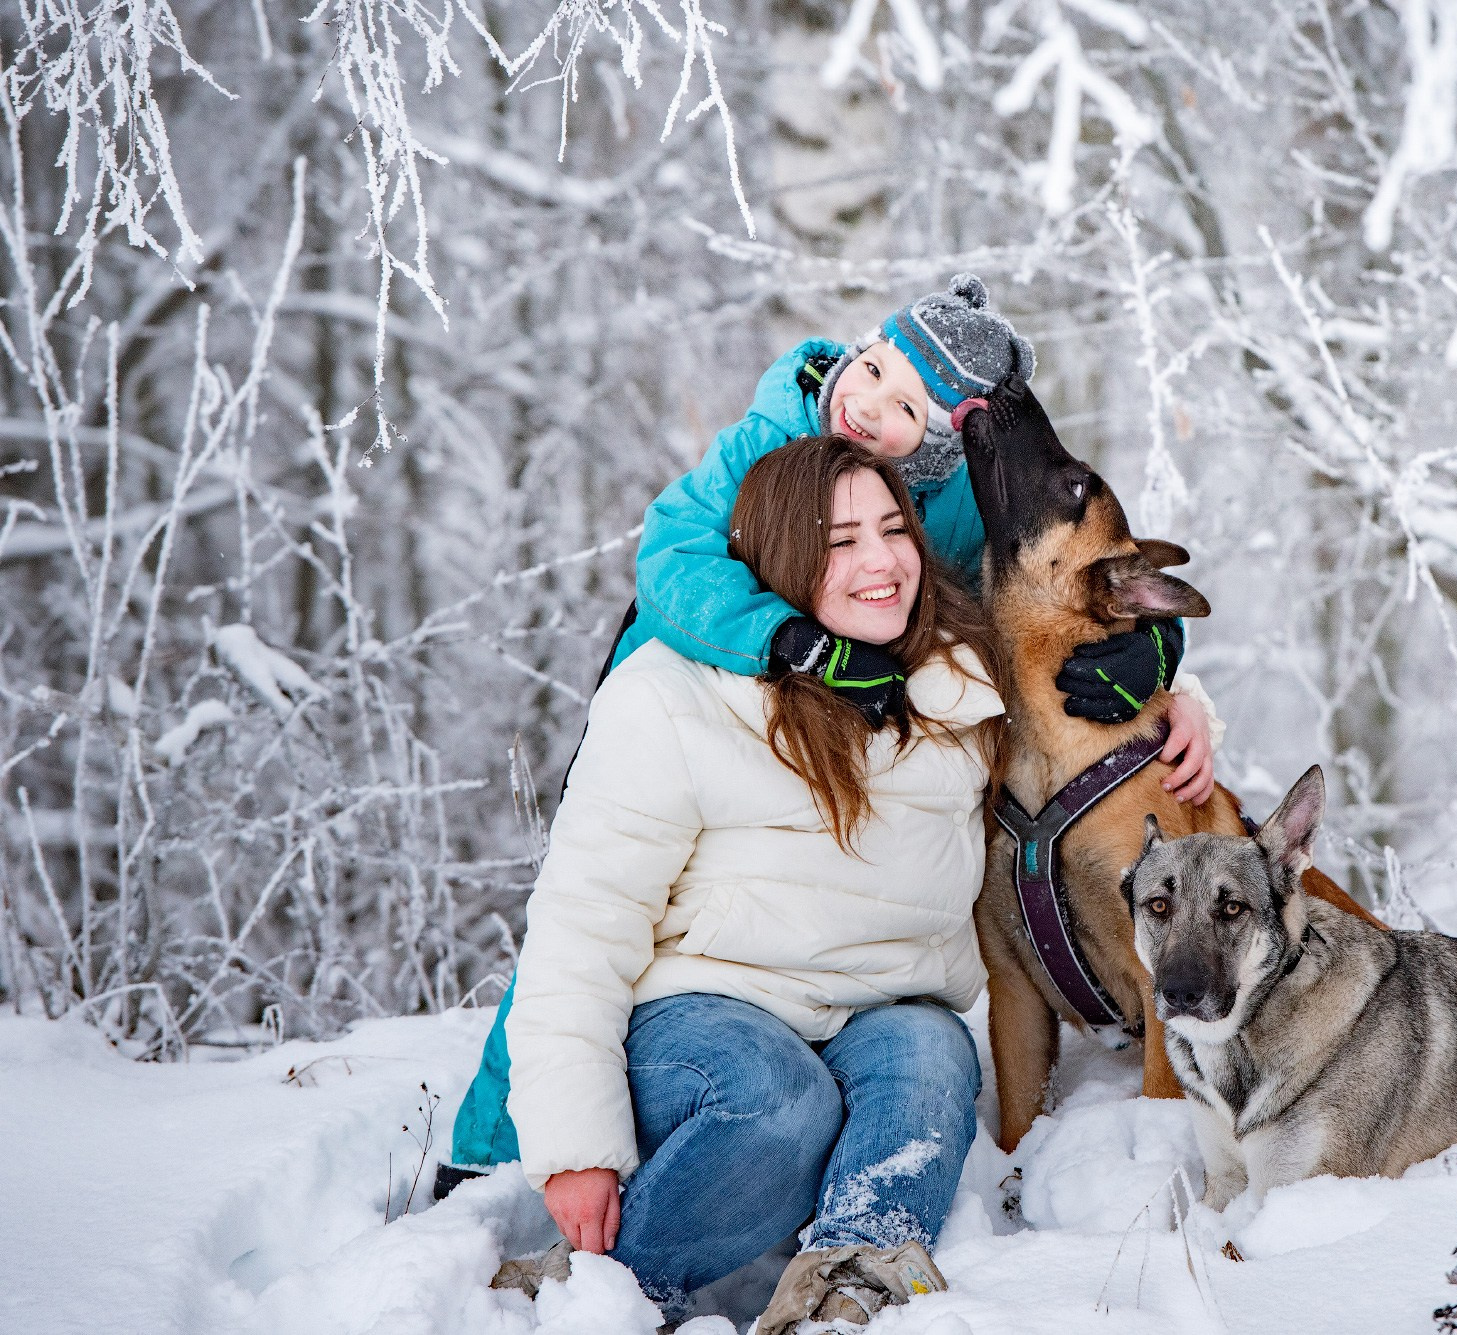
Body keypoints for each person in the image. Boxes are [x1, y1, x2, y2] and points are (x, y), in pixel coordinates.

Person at [447, 274, 1223, 1179]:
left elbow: (1058, 581)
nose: (870, 409)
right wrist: (789, 640)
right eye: (876, 371)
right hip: (691, 677)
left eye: (908, 410)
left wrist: (1162, 661)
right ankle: (488, 1156)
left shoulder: (954, 503)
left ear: (941, 438)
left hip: (840, 731)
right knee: (595, 910)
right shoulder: (769, 438)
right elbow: (673, 556)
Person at [504, 437, 1002, 1330]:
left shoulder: (959, 682)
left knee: (933, 1060)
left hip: (881, 1009)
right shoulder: (671, 695)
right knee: (781, 1102)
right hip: (697, 1019)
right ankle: (601, 1292)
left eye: (895, 529)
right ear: (778, 557)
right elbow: (581, 927)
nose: (883, 561)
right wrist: (573, 1147)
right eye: (840, 541)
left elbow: (1087, 640)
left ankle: (851, 1288)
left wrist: (1179, 688)